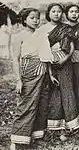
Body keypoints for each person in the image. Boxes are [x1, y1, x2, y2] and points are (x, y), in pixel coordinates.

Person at [10, 8, 56, 149]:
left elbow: (46, 56)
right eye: (32, 18)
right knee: (26, 105)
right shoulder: (18, 37)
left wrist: (51, 74)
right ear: (24, 20)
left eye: (37, 18)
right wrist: (19, 80)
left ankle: (37, 135)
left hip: (43, 72)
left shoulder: (42, 35)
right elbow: (15, 59)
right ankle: (18, 140)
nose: (36, 21)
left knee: (42, 104)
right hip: (28, 73)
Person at [40, 3, 79, 132]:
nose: (56, 14)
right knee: (54, 91)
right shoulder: (44, 29)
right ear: (48, 13)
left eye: (59, 11)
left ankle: (71, 123)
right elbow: (43, 50)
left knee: (67, 89)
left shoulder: (66, 28)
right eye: (53, 11)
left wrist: (64, 59)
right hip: (50, 62)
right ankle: (55, 124)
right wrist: (50, 68)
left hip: (65, 61)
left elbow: (72, 46)